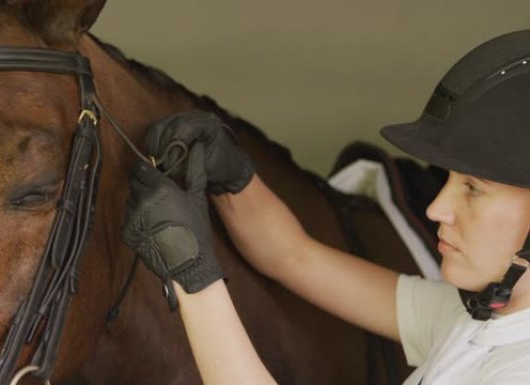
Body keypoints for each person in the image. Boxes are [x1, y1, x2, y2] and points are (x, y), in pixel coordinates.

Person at [122, 30, 530, 385]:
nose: (437, 208)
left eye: (473, 188)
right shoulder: (472, 319)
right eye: (449, 180)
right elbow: (294, 256)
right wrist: (234, 180)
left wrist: (193, 277)